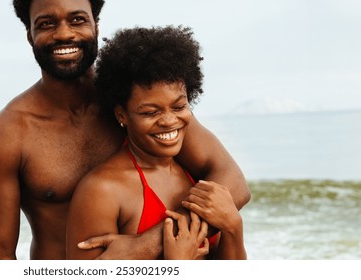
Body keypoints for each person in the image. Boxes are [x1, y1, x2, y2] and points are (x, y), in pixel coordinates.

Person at [0, 0, 249, 260]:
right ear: (29, 34)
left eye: (77, 20)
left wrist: (147, 246)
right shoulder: (6, 133)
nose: (63, 34)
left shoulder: (139, 103)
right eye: (46, 23)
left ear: (95, 25)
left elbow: (233, 184)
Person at [66, 26, 246, 260]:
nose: (170, 121)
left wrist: (233, 227)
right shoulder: (103, 191)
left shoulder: (196, 173)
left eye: (179, 107)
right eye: (151, 112)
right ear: (122, 115)